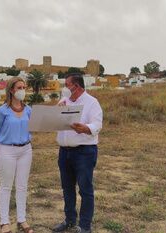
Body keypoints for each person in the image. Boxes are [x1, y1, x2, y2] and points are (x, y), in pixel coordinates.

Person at [52, 73, 103, 233]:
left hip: (84, 152)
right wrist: (55, 113)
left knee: (85, 190)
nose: (65, 88)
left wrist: (86, 128)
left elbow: (97, 124)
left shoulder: (92, 103)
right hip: (64, 152)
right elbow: (55, 122)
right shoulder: (63, 102)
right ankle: (70, 220)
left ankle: (85, 226)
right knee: (67, 188)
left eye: (67, 85)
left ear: (77, 86)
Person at [0, 77, 34, 233]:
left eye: (24, 87)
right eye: (19, 87)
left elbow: (32, 128)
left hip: (26, 150)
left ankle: (22, 219)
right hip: (7, 150)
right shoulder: (2, 111)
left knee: (22, 186)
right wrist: (5, 143)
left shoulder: (29, 110)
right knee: (6, 186)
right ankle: (4, 222)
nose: (22, 90)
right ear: (11, 90)